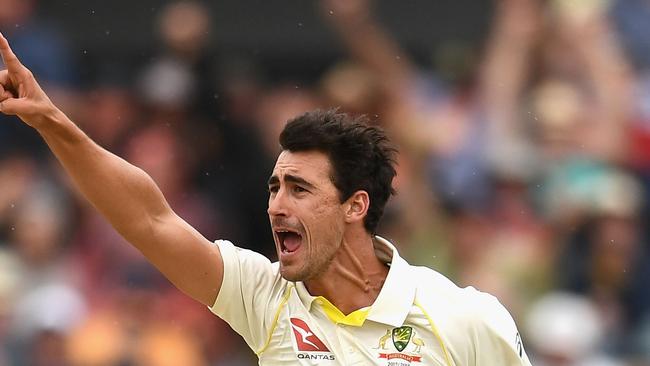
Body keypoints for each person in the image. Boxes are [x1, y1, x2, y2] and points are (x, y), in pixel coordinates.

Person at [0, 33, 532, 365]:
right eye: (275, 186)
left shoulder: (463, 318)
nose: (277, 205)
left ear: (356, 205)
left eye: (300, 189)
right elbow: (149, 220)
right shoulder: (265, 296)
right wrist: (52, 121)